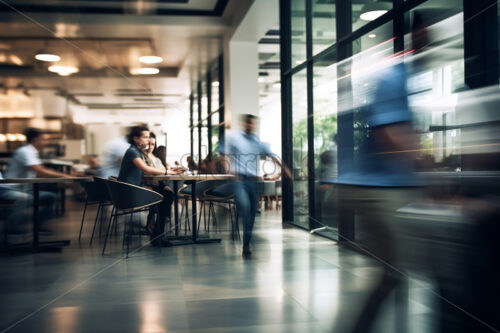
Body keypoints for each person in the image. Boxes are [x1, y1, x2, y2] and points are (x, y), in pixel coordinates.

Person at [219, 114, 292, 257]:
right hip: (239, 180)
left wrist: (286, 171)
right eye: (248, 123)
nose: (250, 126)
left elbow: (272, 156)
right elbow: (222, 152)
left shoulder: (257, 141)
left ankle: (246, 243)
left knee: (252, 213)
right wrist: (228, 169)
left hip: (253, 181)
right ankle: (236, 224)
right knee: (244, 206)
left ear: (255, 125)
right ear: (244, 124)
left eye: (252, 124)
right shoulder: (235, 137)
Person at [4, 128, 73, 230]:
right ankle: (10, 227)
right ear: (35, 140)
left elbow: (38, 172)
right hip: (11, 188)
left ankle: (37, 226)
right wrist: (63, 176)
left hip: (24, 188)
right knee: (26, 198)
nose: (46, 142)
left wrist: (61, 178)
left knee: (51, 197)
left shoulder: (30, 151)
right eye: (43, 139)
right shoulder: (25, 151)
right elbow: (40, 171)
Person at [117, 126, 173, 247]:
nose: (148, 140)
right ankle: (157, 235)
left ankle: (156, 232)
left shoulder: (136, 152)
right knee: (166, 195)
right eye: (146, 137)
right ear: (136, 138)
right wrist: (168, 172)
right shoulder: (133, 151)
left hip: (132, 190)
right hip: (128, 193)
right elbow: (146, 169)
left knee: (166, 193)